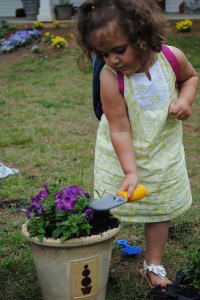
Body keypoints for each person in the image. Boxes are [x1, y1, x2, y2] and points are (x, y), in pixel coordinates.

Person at [77, 0, 198, 289]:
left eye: (119, 50)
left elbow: (191, 77)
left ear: (143, 36)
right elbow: (118, 127)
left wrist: (185, 100)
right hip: (122, 152)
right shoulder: (110, 77)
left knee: (160, 209)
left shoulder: (171, 57)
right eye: (103, 53)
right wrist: (130, 172)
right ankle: (93, 258)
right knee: (108, 205)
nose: (112, 59)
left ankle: (152, 265)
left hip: (163, 150)